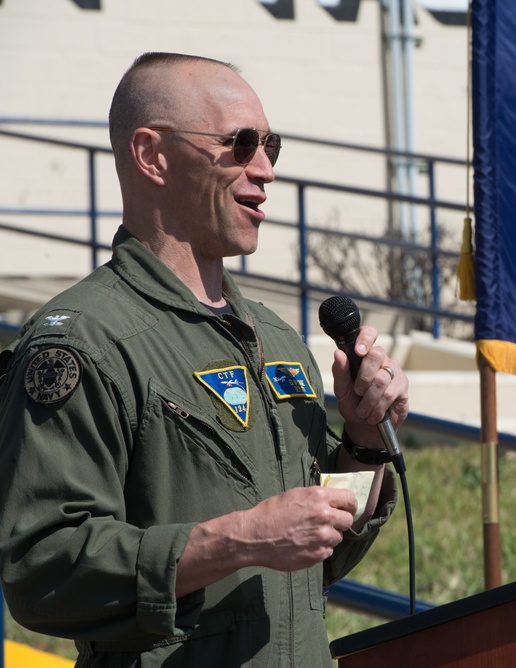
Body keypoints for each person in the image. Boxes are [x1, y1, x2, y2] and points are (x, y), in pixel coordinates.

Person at [0, 52, 408, 667]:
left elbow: (315, 557)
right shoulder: (84, 342)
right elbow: (41, 572)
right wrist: (240, 539)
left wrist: (361, 442)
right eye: (240, 144)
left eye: (272, 144)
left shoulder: (275, 337)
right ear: (151, 155)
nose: (265, 169)